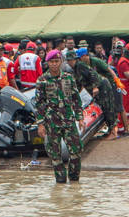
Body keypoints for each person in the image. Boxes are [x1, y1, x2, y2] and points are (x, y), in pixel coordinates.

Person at [33, 51, 83, 184]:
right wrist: (40, 124)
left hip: (68, 120)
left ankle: (74, 180)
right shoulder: (42, 80)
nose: (54, 64)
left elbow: (76, 98)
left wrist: (80, 117)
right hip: (51, 122)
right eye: (51, 62)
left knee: (76, 151)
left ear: (61, 62)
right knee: (55, 155)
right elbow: (39, 104)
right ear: (47, 63)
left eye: (56, 61)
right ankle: (60, 181)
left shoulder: (68, 78)